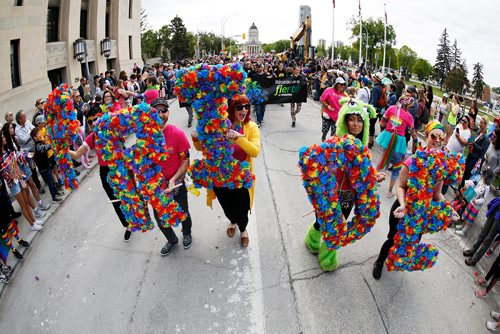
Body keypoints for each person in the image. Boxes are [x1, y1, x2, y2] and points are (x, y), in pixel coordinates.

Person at [304, 98, 384, 271]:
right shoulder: (334, 142)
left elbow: (364, 174)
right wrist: (320, 186)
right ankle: (312, 240)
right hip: (330, 194)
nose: (356, 124)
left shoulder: (363, 149)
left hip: (349, 196)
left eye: (360, 120)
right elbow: (314, 161)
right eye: (352, 119)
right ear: (344, 120)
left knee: (337, 229)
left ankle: (327, 257)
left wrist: (375, 176)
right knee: (321, 222)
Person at [373, 121, 455, 279]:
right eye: (433, 136)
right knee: (392, 238)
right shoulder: (413, 160)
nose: (437, 140)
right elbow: (401, 187)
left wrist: (447, 208)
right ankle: (379, 262)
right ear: (427, 137)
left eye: (441, 137)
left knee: (412, 242)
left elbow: (437, 193)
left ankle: (397, 259)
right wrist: (403, 204)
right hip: (402, 209)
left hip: (421, 214)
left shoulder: (441, 167)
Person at [191, 94, 261, 248]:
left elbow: (255, 151)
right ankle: (232, 221)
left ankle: (243, 229)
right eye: (240, 107)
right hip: (220, 178)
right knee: (227, 208)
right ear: (232, 109)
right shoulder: (221, 125)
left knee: (242, 209)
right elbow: (204, 148)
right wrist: (196, 139)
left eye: (247, 106)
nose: (244, 110)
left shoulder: (251, 127)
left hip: (241, 178)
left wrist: (238, 138)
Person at [69, 115, 132, 241]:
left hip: (120, 167)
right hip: (105, 171)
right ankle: (128, 225)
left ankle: (135, 216)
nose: (94, 123)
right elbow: (76, 155)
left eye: (96, 119)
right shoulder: (92, 137)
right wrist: (62, 150)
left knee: (128, 195)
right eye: (91, 121)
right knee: (115, 201)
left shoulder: (114, 130)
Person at [150, 98, 193, 256]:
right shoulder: (145, 138)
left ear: (168, 112)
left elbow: (186, 160)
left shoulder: (177, 134)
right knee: (160, 219)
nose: (160, 114)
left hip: (176, 184)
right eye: (156, 111)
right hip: (157, 188)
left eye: (163, 110)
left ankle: (186, 233)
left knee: (183, 211)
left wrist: (173, 179)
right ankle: (172, 240)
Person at [0, 130, 44, 231]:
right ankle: (32, 225)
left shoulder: (7, 151)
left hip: (20, 178)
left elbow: (18, 160)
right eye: (2, 138)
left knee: (27, 201)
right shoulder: (1, 158)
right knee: (23, 204)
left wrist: (26, 156)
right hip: (14, 184)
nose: (5, 139)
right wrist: (14, 175)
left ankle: (34, 220)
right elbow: (4, 173)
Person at [376, 96, 415, 198]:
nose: (411, 108)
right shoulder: (409, 116)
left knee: (383, 159)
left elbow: (382, 122)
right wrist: (415, 141)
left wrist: (390, 127)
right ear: (407, 105)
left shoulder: (391, 108)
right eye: (410, 106)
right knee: (397, 166)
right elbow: (412, 131)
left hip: (388, 138)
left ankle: (373, 180)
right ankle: (389, 191)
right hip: (399, 142)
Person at [14, 110, 45, 195]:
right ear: (20, 119)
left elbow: (34, 130)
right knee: (33, 170)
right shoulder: (17, 130)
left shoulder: (28, 122)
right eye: (24, 116)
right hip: (28, 153)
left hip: (35, 147)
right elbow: (24, 140)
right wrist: (31, 133)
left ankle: (45, 180)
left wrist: (31, 133)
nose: (26, 117)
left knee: (41, 165)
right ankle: (38, 186)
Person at [463, 197, 500, 266]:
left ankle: (475, 259)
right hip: (497, 207)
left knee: (488, 239)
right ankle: (472, 250)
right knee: (483, 233)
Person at [455, 169, 492, 237]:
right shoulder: (481, 181)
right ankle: (462, 226)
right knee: (466, 214)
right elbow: (476, 188)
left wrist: (477, 201)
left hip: (476, 206)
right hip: (471, 201)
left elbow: (484, 199)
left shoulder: (487, 187)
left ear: (486, 177)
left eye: (483, 176)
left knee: (470, 218)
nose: (482, 177)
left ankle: (463, 231)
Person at [31, 127, 63, 204]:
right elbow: (43, 148)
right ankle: (54, 198)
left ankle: (56, 192)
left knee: (52, 180)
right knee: (50, 182)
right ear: (34, 138)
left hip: (46, 166)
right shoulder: (37, 146)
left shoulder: (40, 142)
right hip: (43, 168)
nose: (40, 134)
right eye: (38, 134)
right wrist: (51, 145)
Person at [461, 116, 490, 188]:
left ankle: (463, 191)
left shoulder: (485, 138)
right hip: (470, 154)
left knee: (468, 175)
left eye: (482, 123)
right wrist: (471, 144)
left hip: (475, 158)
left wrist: (474, 144)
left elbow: (482, 150)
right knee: (465, 172)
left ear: (485, 125)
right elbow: (474, 140)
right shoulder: (478, 132)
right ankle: (460, 188)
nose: (480, 124)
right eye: (480, 122)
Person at [320, 77, 347, 142]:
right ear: (336, 84)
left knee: (334, 134)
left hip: (337, 117)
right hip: (328, 114)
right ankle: (324, 136)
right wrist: (328, 106)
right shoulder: (329, 90)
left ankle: (329, 146)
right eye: (341, 84)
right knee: (324, 130)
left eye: (344, 84)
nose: (342, 86)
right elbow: (322, 99)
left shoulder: (345, 95)